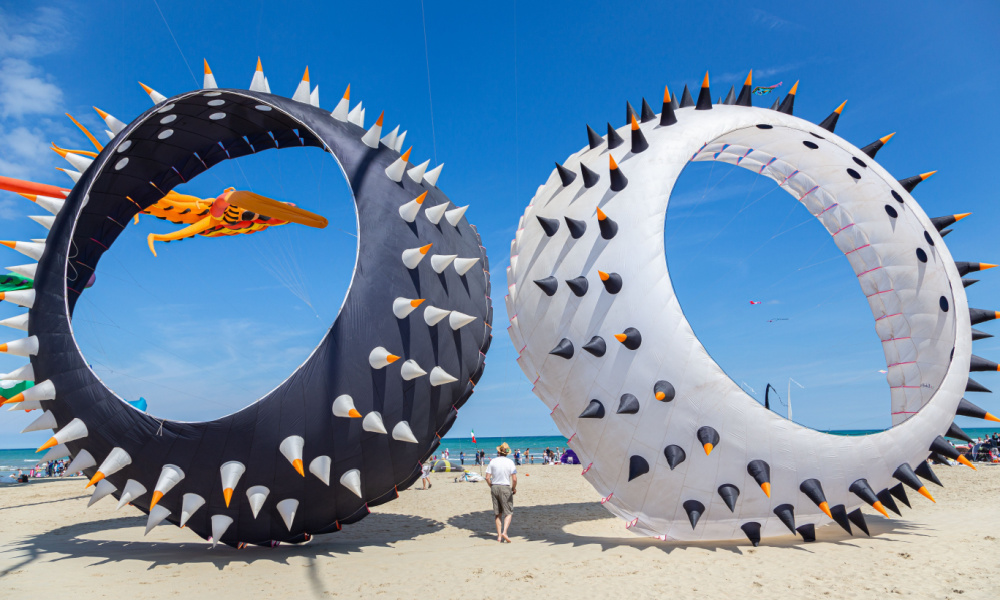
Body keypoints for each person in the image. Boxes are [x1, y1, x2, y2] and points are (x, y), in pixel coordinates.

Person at [485, 442, 517, 543]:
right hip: (505, 486)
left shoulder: (493, 461)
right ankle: (505, 532)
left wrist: (491, 486)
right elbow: (514, 479)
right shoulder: (510, 462)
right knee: (508, 512)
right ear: (507, 453)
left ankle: (499, 536)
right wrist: (513, 488)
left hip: (494, 486)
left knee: (497, 513)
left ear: (498, 451)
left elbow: (487, 477)